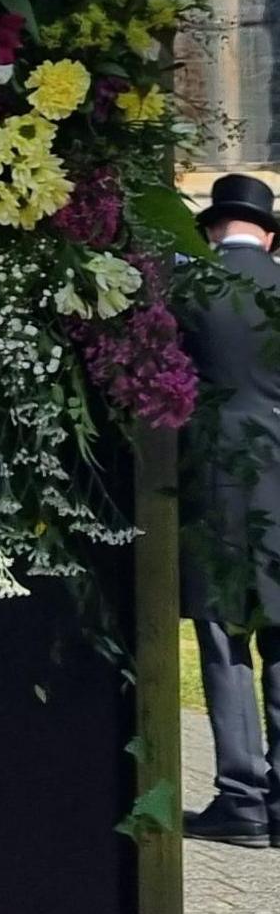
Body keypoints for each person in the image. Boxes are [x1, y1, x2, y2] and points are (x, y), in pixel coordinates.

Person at [181, 173, 280, 848]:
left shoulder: (188, 291)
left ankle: (241, 797)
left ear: (214, 227)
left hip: (214, 474)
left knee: (223, 637)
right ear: (268, 233)